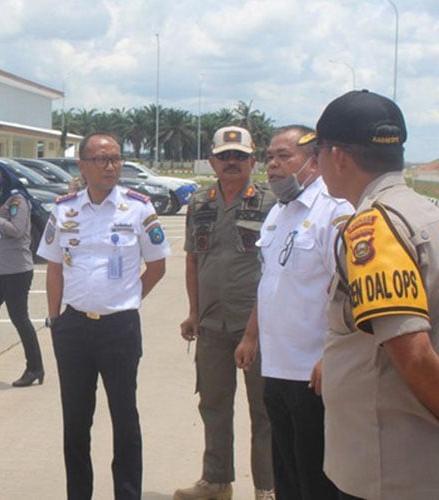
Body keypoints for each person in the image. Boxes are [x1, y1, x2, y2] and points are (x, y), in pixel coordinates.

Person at [315, 89, 439, 499]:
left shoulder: (376, 228)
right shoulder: (425, 213)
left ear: (338, 157)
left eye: (317, 152)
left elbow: (415, 355)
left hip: (389, 470)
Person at [37, 132, 169, 500]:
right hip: (74, 328)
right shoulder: (64, 209)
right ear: (83, 166)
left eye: (115, 159)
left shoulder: (138, 208)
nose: (111, 166)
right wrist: (54, 319)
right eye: (101, 159)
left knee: (125, 418)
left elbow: (157, 266)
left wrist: (128, 299)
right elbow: (53, 268)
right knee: (76, 422)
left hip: (120, 329)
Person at [234, 125, 351, 499]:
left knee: (315, 478)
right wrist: (251, 336)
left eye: (284, 156)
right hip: (277, 368)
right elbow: (270, 282)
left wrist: (330, 356)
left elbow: (348, 294)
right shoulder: (277, 214)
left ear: (313, 161)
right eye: (269, 157)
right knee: (285, 473)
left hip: (313, 374)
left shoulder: (333, 213)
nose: (272, 165)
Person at [176, 126, 276, 500]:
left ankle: (268, 487)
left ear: (253, 160)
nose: (231, 162)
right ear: (213, 160)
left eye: (239, 156)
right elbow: (192, 259)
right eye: (224, 156)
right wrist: (193, 311)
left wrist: (256, 328)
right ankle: (216, 481)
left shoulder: (270, 203)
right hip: (212, 324)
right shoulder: (200, 202)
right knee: (213, 404)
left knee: (263, 409)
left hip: (257, 323)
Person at [0, 162, 44, 387]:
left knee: (19, 318)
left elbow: (17, 230)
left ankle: (35, 367)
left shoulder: (17, 200)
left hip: (16, 270)